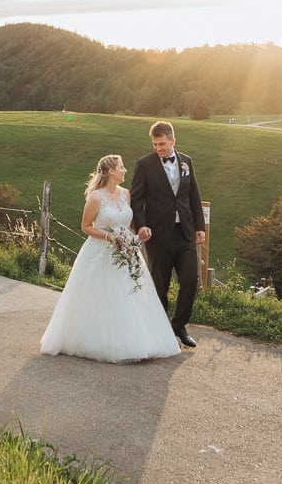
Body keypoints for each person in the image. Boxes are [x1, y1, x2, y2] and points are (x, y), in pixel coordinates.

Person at [39, 154, 184, 363]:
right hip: (101, 252)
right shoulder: (96, 197)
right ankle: (100, 340)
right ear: (110, 172)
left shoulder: (126, 194)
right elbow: (86, 226)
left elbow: (130, 222)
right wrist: (110, 236)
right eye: (121, 167)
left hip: (127, 251)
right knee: (103, 296)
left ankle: (138, 340)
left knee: (131, 295)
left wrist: (139, 233)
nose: (125, 170)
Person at [130, 120, 206, 348]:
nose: (158, 148)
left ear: (173, 141)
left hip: (184, 231)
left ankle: (179, 325)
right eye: (155, 144)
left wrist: (199, 227)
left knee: (190, 280)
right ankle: (161, 327)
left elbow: (193, 195)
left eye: (162, 144)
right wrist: (141, 225)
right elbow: (137, 198)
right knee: (160, 284)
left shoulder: (186, 162)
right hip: (158, 234)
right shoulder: (144, 165)